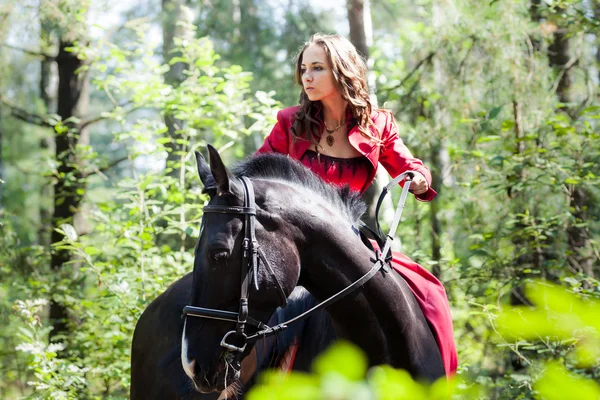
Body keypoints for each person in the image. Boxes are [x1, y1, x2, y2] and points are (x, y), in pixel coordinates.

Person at [242, 33, 457, 384]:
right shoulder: (290, 123)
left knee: (430, 290)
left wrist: (417, 177)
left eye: (317, 68)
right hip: (296, 245)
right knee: (261, 312)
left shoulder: (378, 124)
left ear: (341, 72)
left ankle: (437, 381)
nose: (306, 76)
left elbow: (411, 164)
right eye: (304, 68)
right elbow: (256, 173)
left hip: (349, 237)